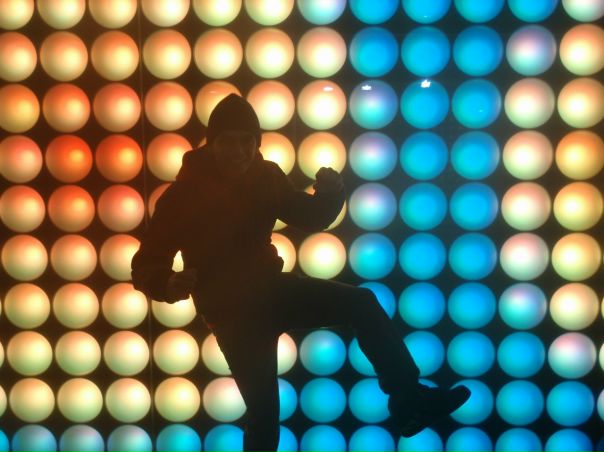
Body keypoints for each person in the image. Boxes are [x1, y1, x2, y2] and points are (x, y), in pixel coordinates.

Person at [131, 94, 470, 452]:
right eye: (228, 141)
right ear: (211, 144)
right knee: (264, 415)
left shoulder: (265, 176)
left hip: (273, 292)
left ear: (256, 143)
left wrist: (330, 194)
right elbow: (146, 263)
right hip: (232, 315)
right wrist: (166, 283)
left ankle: (408, 400)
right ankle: (409, 402)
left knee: (362, 303)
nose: (239, 151)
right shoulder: (183, 196)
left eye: (247, 141)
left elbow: (308, 215)